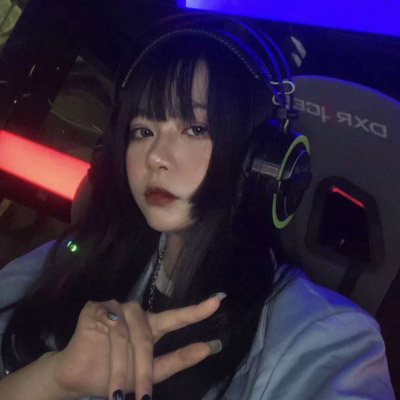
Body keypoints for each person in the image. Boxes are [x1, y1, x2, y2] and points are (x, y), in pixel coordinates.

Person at [0, 14, 395, 400]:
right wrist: (54, 380)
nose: (156, 156)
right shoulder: (74, 260)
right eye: (143, 131)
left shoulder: (329, 338)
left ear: (260, 160)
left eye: (195, 129)